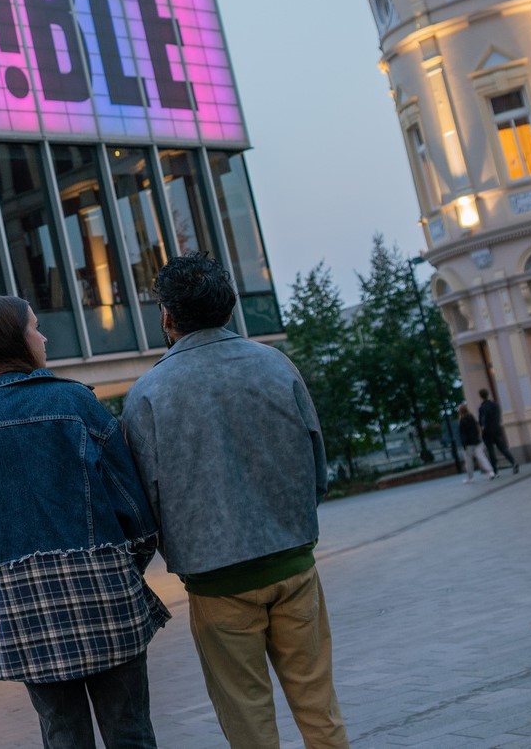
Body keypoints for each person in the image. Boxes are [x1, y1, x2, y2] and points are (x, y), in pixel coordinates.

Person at [122, 253, 348, 749]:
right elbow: (316, 461)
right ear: (229, 310)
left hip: (215, 578)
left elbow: (147, 498)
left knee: (248, 723)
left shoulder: (146, 395)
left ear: (167, 316)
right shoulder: (275, 364)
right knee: (320, 708)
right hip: (292, 560)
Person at [0, 295, 169, 749]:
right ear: (13, 340)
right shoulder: (76, 401)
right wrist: (123, 566)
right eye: (34, 328)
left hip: (25, 608)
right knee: (131, 731)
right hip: (104, 592)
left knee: (63, 735)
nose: (43, 337)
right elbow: (136, 516)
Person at [477, 388, 520, 475]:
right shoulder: (495, 405)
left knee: (491, 450)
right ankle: (513, 462)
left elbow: (482, 419)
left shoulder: (482, 407)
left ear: (481, 396)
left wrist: (482, 428)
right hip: (497, 428)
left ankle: (495, 469)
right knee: (502, 448)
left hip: (488, 431)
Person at [458, 403, 496, 482]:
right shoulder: (471, 417)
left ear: (460, 412)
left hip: (468, 444)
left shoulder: (462, 420)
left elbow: (463, 434)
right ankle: (490, 472)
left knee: (469, 461)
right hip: (477, 441)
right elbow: (477, 428)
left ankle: (470, 477)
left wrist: (464, 443)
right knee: (481, 457)